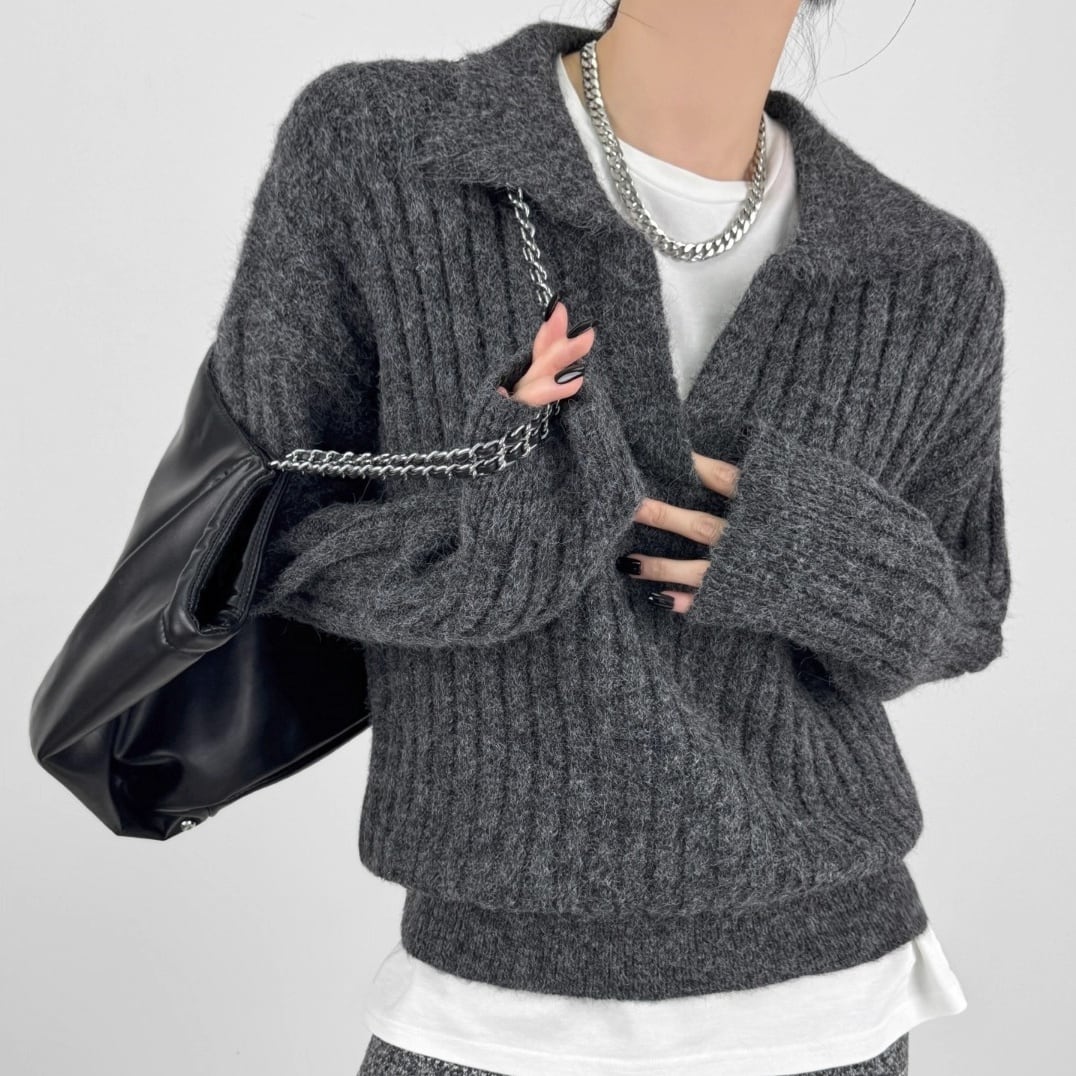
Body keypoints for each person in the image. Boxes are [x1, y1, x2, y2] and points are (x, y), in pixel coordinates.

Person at [206, 3, 1009, 1074]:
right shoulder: (390, 147)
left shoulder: (926, 269)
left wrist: (818, 556)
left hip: (828, 1004)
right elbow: (260, 532)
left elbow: (964, 610)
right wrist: (504, 532)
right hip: (488, 1005)